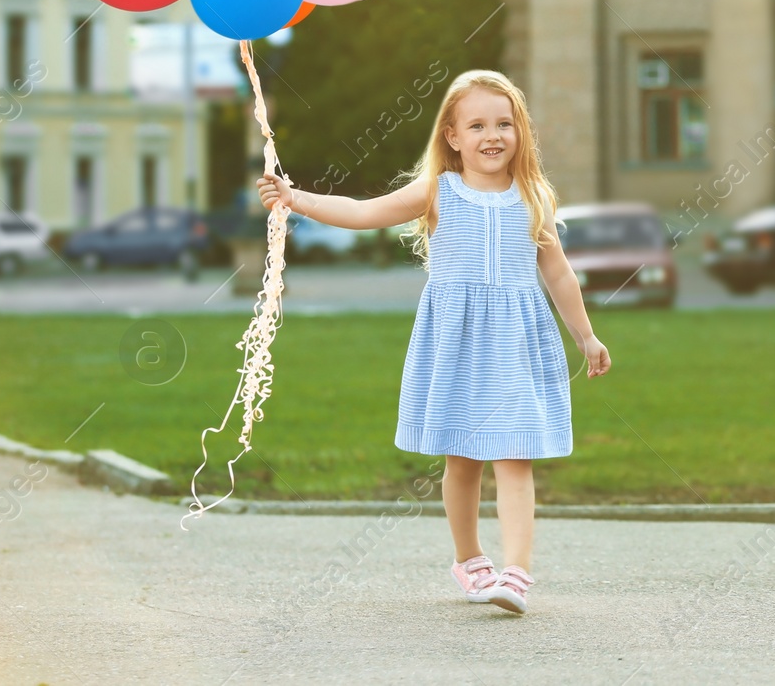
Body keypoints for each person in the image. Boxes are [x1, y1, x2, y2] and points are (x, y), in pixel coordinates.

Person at [256, 70, 611, 614]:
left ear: (520, 132)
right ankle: (470, 560)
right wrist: (293, 198)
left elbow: (559, 274)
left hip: (516, 343)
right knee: (463, 459)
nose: (492, 135)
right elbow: (362, 211)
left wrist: (585, 336)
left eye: (504, 123)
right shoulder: (437, 192)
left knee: (516, 456)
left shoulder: (532, 196)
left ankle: (516, 573)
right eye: (477, 125)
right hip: (458, 344)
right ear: (452, 136)